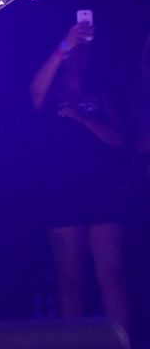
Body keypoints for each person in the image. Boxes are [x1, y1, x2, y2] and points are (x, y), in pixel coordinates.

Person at [30, 18, 128, 332]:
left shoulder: (99, 93)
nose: (78, 57)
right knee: (69, 279)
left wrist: (82, 119)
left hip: (101, 192)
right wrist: (65, 44)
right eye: (74, 51)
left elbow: (117, 139)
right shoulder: (50, 91)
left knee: (111, 274)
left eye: (84, 51)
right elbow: (34, 94)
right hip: (61, 193)